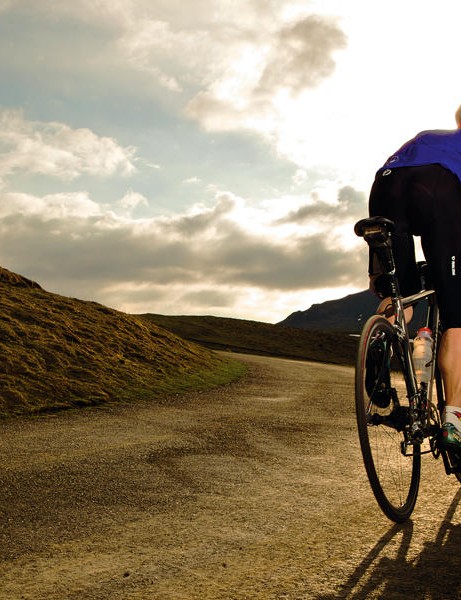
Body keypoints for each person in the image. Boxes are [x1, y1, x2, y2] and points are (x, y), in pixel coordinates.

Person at [368, 104, 461, 451]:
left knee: (399, 293)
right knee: (456, 320)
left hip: (384, 186)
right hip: (436, 190)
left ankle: (379, 342)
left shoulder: (428, 137)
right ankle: (454, 424)